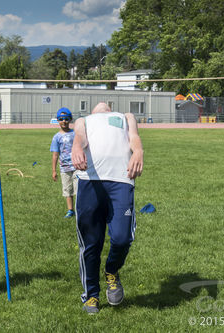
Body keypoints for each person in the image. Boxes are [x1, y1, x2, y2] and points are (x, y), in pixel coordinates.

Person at [71, 102, 144, 314]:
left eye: (106, 104)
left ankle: (111, 270)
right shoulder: (84, 120)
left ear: (110, 108)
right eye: (99, 104)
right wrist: (76, 147)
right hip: (89, 182)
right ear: (93, 111)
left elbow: (134, 139)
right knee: (91, 244)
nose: (102, 104)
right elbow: (80, 137)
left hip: (121, 181)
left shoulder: (125, 116)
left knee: (121, 238)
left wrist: (138, 152)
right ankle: (91, 295)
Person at [50, 107, 77, 218]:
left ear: (70, 119)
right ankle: (70, 210)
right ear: (58, 120)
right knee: (67, 190)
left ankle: (79, 209)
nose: (64, 121)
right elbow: (55, 154)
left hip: (77, 166)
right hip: (64, 168)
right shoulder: (56, 137)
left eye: (66, 119)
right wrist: (54, 170)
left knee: (79, 190)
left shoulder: (75, 134)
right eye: (61, 119)